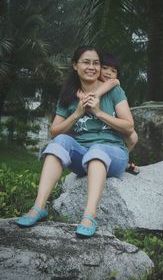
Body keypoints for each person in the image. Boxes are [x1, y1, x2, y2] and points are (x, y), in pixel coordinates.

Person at [15, 45, 134, 238]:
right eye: (86, 62)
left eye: (96, 63)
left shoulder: (113, 90)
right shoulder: (69, 96)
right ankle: (39, 207)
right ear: (75, 66)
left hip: (114, 153)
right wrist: (77, 113)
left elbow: (129, 126)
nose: (92, 67)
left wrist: (98, 112)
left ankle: (89, 216)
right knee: (60, 141)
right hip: (83, 153)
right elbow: (54, 131)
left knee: (97, 150)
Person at [77, 52, 140, 174]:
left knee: (133, 136)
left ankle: (120, 161)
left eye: (113, 70)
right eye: (104, 68)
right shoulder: (85, 85)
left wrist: (95, 96)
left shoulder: (113, 87)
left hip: (110, 132)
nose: (108, 73)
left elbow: (113, 82)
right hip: (87, 136)